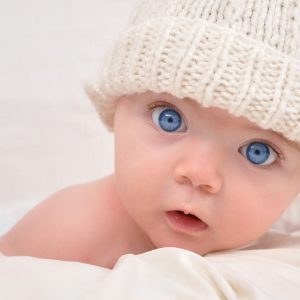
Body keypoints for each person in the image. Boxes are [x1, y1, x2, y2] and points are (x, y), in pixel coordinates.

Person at [0, 0, 299, 269]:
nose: (198, 174)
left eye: (258, 152)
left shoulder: (280, 255)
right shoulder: (68, 232)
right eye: (169, 119)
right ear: (116, 108)